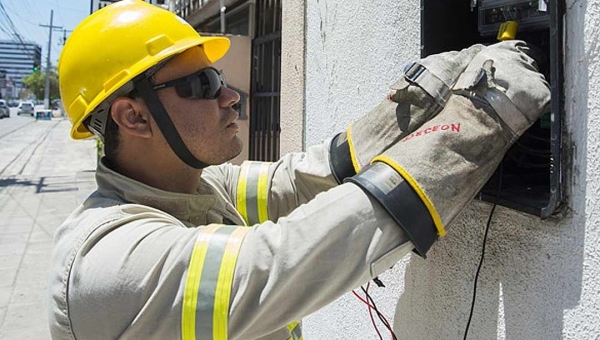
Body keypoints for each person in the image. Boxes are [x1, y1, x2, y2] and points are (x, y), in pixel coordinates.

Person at [48, 1, 550, 339]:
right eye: (200, 85)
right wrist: (482, 117)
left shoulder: (195, 189)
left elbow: (303, 179)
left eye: (218, 77)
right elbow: (281, 261)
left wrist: (419, 100)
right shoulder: (110, 260)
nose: (230, 96)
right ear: (133, 117)